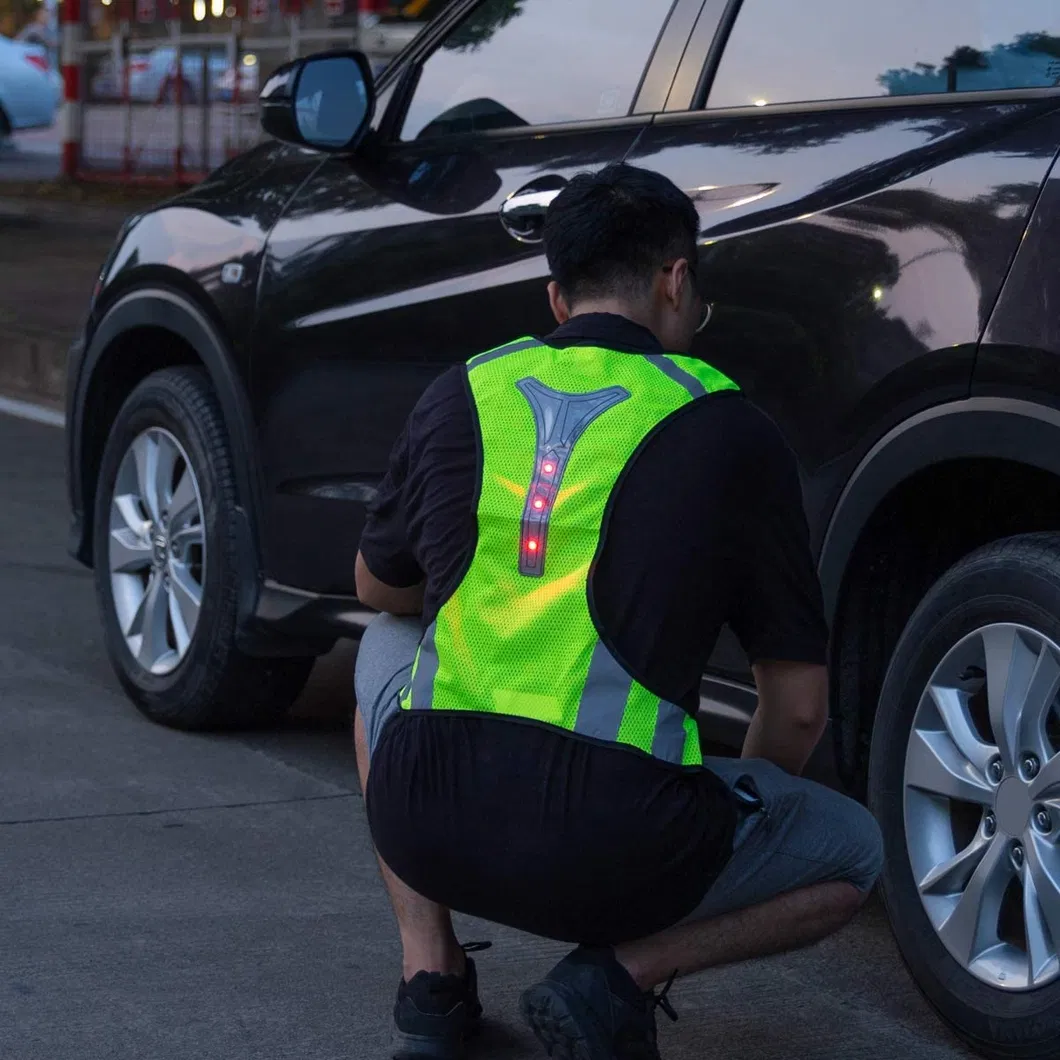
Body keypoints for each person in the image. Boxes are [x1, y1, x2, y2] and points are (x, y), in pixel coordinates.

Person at [352, 162, 884, 1060]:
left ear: (557, 298)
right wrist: (737, 815)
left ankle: (429, 975)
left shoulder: (464, 390)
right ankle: (617, 979)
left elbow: (377, 587)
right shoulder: (729, 426)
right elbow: (795, 707)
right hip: (623, 856)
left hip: (426, 818)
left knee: (384, 640)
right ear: (678, 278)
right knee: (852, 853)